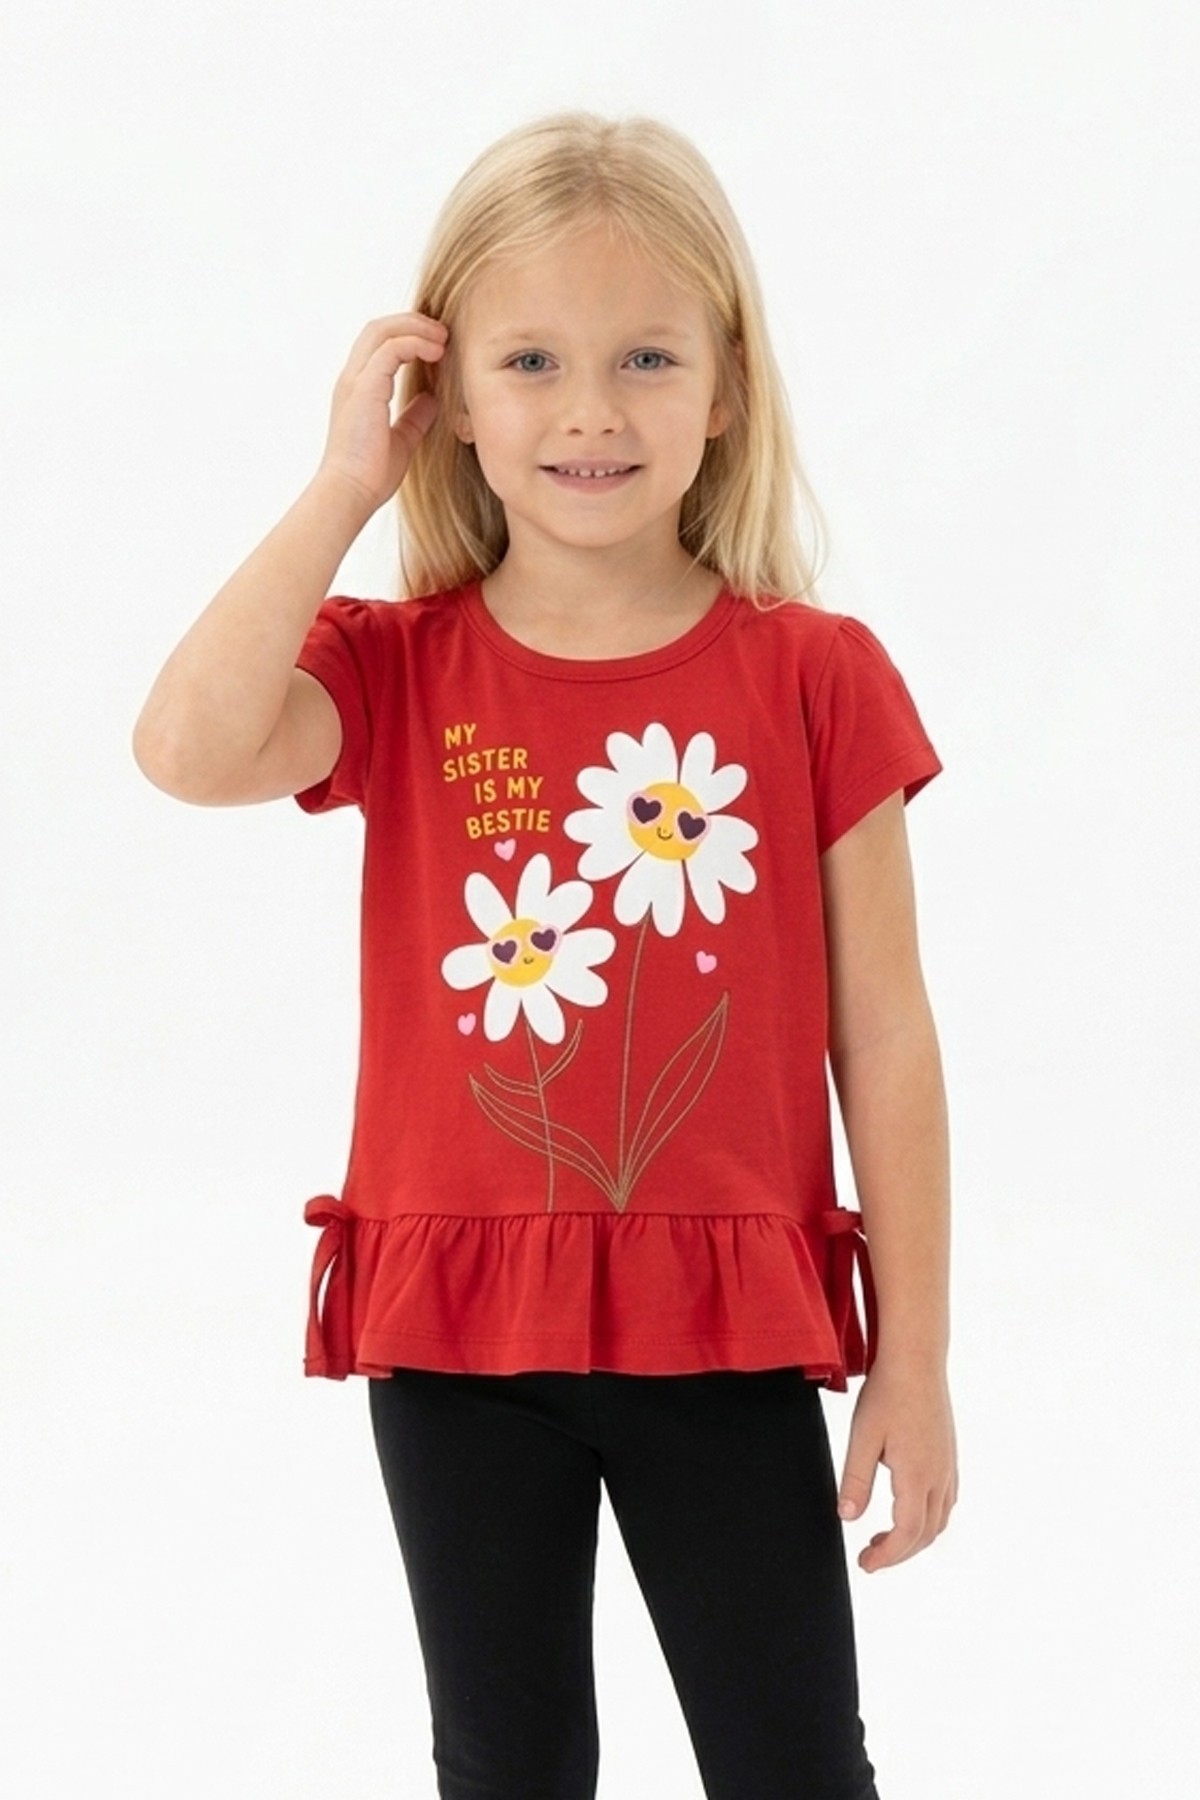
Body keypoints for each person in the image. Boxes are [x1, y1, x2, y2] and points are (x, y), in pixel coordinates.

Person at [133, 109, 957, 1800]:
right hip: (459, 1347)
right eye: (530, 362)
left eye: (647, 356)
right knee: (506, 1767)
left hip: (727, 1333)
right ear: (451, 399)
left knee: (795, 1762)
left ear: (726, 388)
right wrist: (343, 485)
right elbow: (186, 750)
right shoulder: (393, 665)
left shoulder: (816, 676)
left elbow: (886, 1035)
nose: (592, 411)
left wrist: (918, 1356)